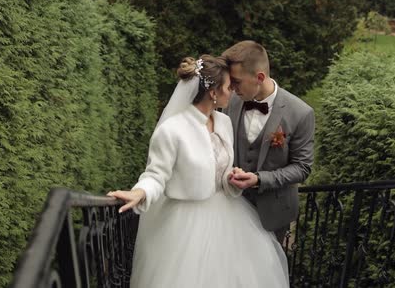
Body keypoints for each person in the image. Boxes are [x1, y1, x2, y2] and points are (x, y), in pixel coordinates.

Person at [108, 54, 289, 288]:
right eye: (228, 87)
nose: (232, 91)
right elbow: (156, 174)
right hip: (185, 225)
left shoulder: (224, 123)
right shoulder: (171, 130)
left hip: (229, 218)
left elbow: (218, 169)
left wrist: (230, 178)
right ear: (213, 92)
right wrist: (140, 192)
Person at [222, 40, 315, 243]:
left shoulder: (300, 113)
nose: (231, 87)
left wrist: (259, 179)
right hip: (231, 206)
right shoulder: (231, 101)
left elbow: (302, 167)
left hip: (273, 214)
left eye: (236, 81)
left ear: (260, 77)